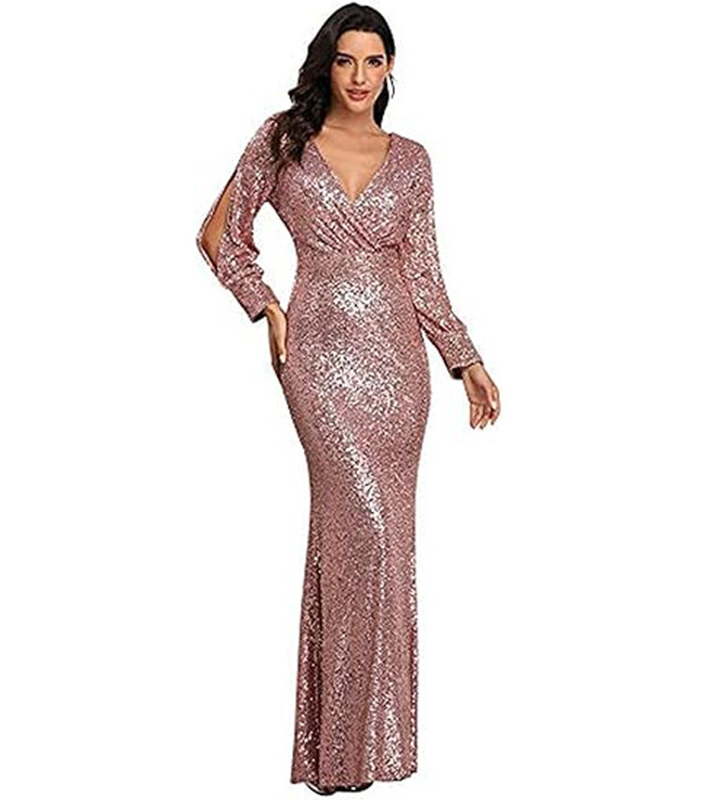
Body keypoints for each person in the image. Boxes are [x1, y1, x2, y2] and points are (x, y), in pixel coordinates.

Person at [196, 4, 500, 794]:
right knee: (360, 522)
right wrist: (265, 306)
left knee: (379, 541)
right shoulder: (282, 140)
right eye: (345, 60)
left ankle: (352, 754)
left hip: (398, 367)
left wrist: (464, 358)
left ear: (391, 68)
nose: (359, 76)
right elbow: (217, 235)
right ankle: (343, 750)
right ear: (325, 66)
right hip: (319, 361)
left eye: (373, 61)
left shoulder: (413, 161)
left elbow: (424, 273)